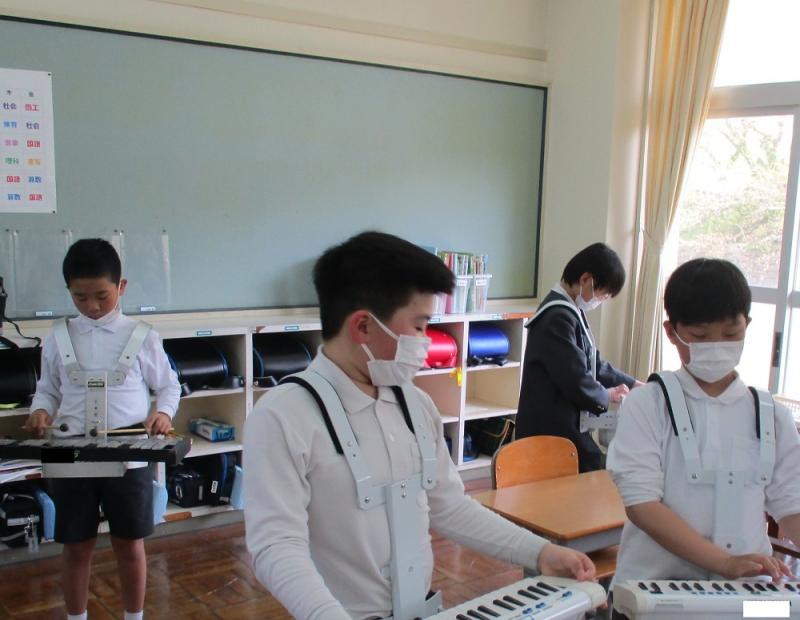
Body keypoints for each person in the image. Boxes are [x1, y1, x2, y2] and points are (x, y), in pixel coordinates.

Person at [244, 231, 597, 620]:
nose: (426, 342)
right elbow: (276, 547)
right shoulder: (283, 416)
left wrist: (540, 552)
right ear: (363, 327)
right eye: (419, 326)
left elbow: (449, 507)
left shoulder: (416, 404)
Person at [607, 258, 800, 613]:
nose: (716, 345)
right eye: (699, 336)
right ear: (672, 332)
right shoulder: (647, 404)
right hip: (656, 595)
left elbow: (792, 506)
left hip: (748, 599)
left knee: (786, 613)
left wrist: (738, 568)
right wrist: (724, 562)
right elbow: (642, 505)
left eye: (731, 333)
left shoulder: (773, 415)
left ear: (747, 325)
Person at [24, 238, 181, 620]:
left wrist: (163, 413)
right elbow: (47, 389)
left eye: (101, 296)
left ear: (121, 287)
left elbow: (168, 386)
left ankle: (133, 616)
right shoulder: (58, 336)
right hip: (72, 454)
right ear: (68, 291)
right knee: (76, 547)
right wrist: (40, 410)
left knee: (129, 545)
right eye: (80, 297)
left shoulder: (143, 336)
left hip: (129, 458)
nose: (92, 307)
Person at [515, 242, 641, 472]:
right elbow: (575, 378)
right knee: (603, 470)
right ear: (586, 280)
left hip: (565, 427)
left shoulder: (571, 310)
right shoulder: (556, 317)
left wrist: (632, 384)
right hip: (551, 432)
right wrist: (607, 395)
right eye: (603, 295)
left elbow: (594, 363)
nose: (600, 301)